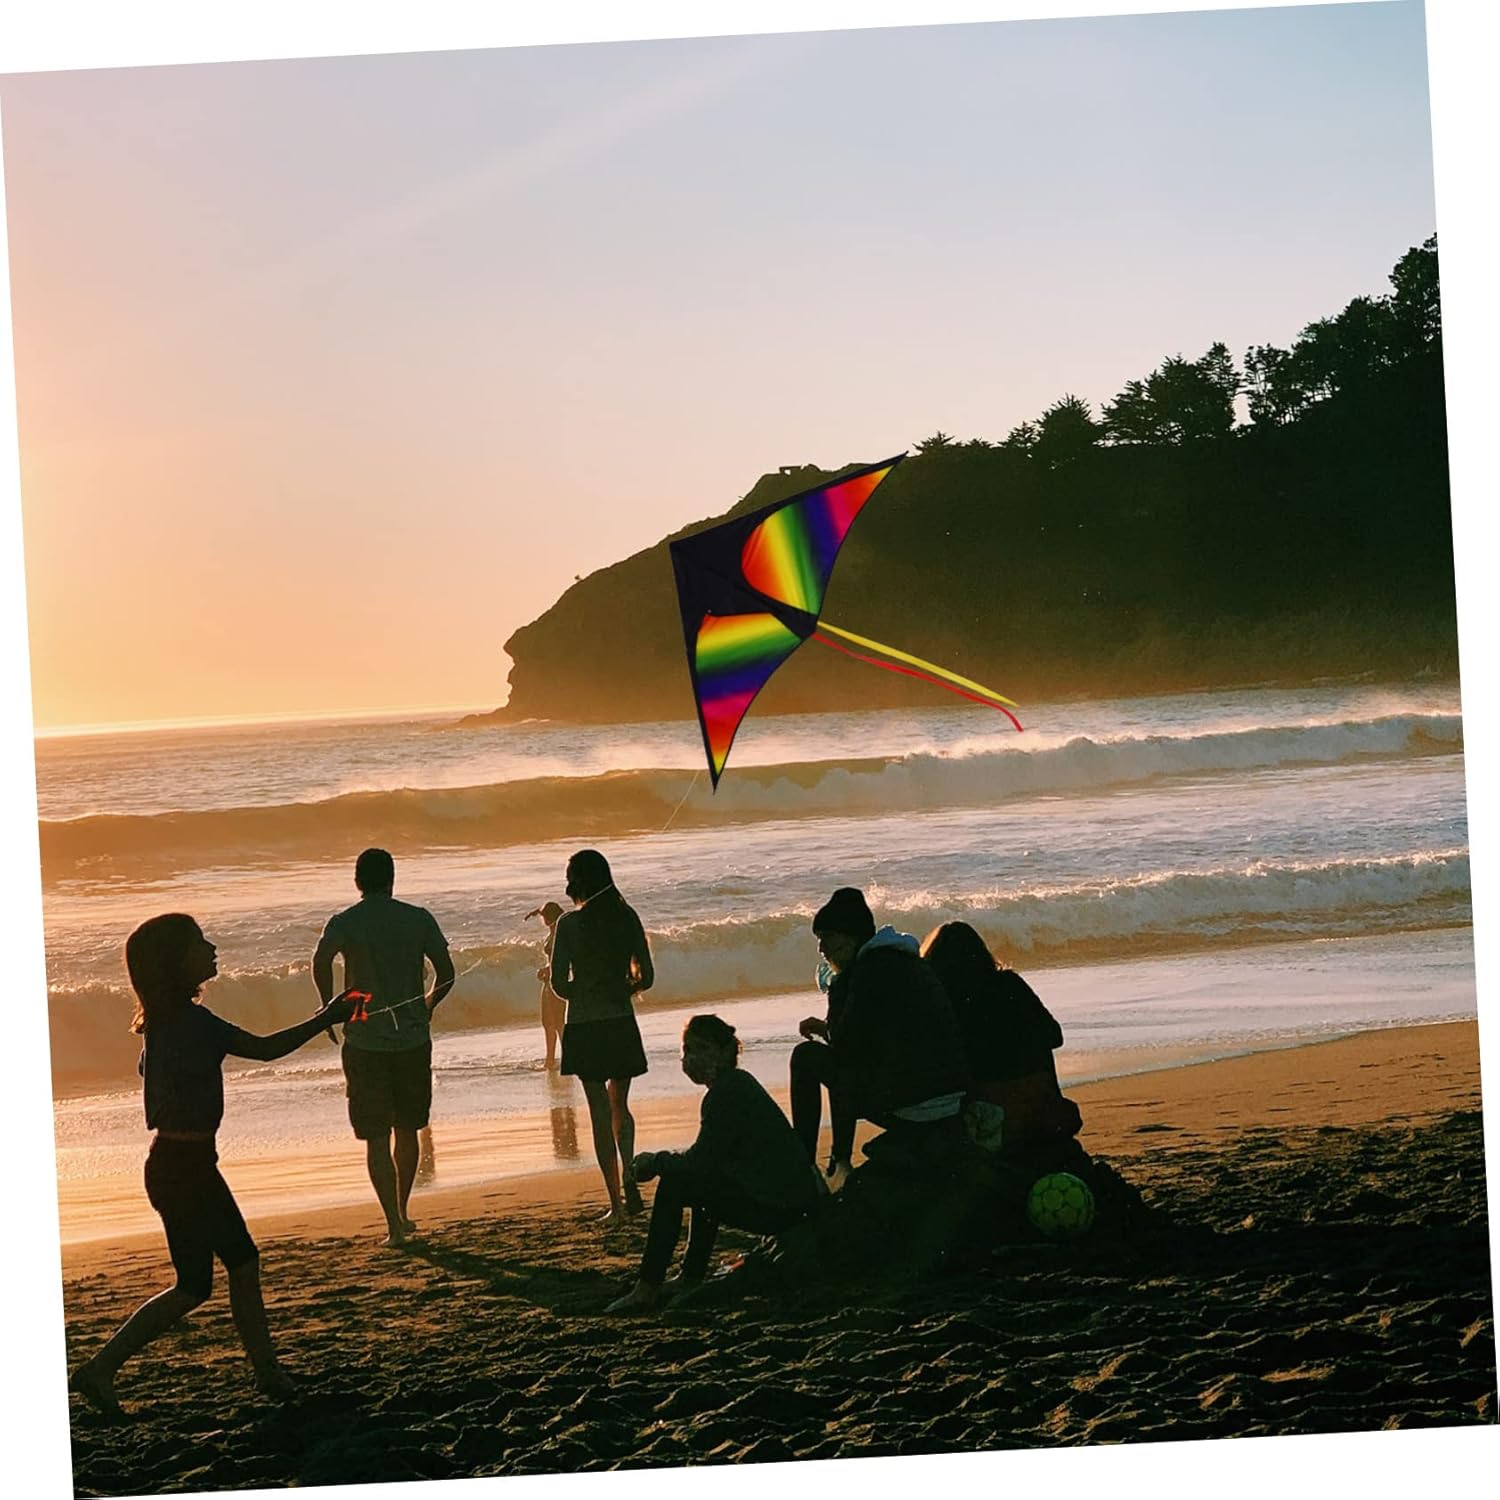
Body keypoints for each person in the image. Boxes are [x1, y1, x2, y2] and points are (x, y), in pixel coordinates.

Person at [69, 914, 356, 1419]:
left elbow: (150, 1074)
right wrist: (327, 1016)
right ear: (176, 962)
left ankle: (103, 1370)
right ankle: (265, 1373)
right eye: (200, 942)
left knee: (198, 1283)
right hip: (186, 1170)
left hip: (177, 1164)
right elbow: (264, 1049)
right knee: (234, 1266)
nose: (213, 947)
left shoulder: (163, 1022)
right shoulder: (191, 1023)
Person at [607, 1015, 820, 1313]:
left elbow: (700, 1162)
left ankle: (648, 1286)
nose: (691, 1057)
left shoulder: (727, 1091)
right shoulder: (734, 1085)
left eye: (701, 1048)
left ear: (724, 1052)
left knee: (676, 1184)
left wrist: (654, 1162)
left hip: (783, 1209)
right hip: (788, 1201)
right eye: (687, 1049)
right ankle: (689, 1275)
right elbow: (708, 1159)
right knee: (698, 1183)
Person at [313, 848, 455, 1247]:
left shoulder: (345, 921)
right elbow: (446, 973)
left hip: (364, 1038)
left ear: (357, 881)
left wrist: (328, 1008)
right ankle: (403, 1212)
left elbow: (320, 960)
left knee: (375, 1134)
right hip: (412, 1038)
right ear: (392, 879)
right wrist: (427, 1005)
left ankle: (393, 1223)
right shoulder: (418, 918)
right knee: (407, 1128)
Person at [795, 887, 968, 1175]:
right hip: (950, 1099)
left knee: (806, 1057)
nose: (822, 949)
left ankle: (807, 1166)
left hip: (914, 1104)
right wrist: (828, 1029)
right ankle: (840, 1160)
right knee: (841, 1064)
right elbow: (875, 1035)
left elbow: (845, 1046)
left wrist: (837, 987)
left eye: (827, 938)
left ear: (851, 937)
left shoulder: (869, 973)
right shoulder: (904, 960)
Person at [548, 849, 652, 1225]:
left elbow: (559, 985)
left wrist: (583, 991)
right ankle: (630, 1175)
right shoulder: (627, 917)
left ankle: (616, 1204)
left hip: (585, 1026)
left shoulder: (569, 925)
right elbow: (647, 977)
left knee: (599, 1111)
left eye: (570, 878)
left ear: (579, 882)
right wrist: (620, 988)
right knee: (620, 1104)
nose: (567, 885)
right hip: (620, 1021)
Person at [921, 921, 1082, 1148]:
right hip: (1043, 1113)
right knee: (1038, 1034)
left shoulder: (939, 1001)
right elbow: (1055, 1036)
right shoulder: (1010, 984)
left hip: (985, 1118)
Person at [526, 900, 567, 1069]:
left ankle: (567, 1057)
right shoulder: (553, 931)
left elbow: (562, 959)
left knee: (558, 1022)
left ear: (549, 917)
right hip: (548, 981)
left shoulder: (559, 934)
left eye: (543, 916)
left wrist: (548, 969)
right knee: (547, 1021)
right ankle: (550, 1059)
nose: (541, 919)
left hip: (557, 980)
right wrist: (535, 912)